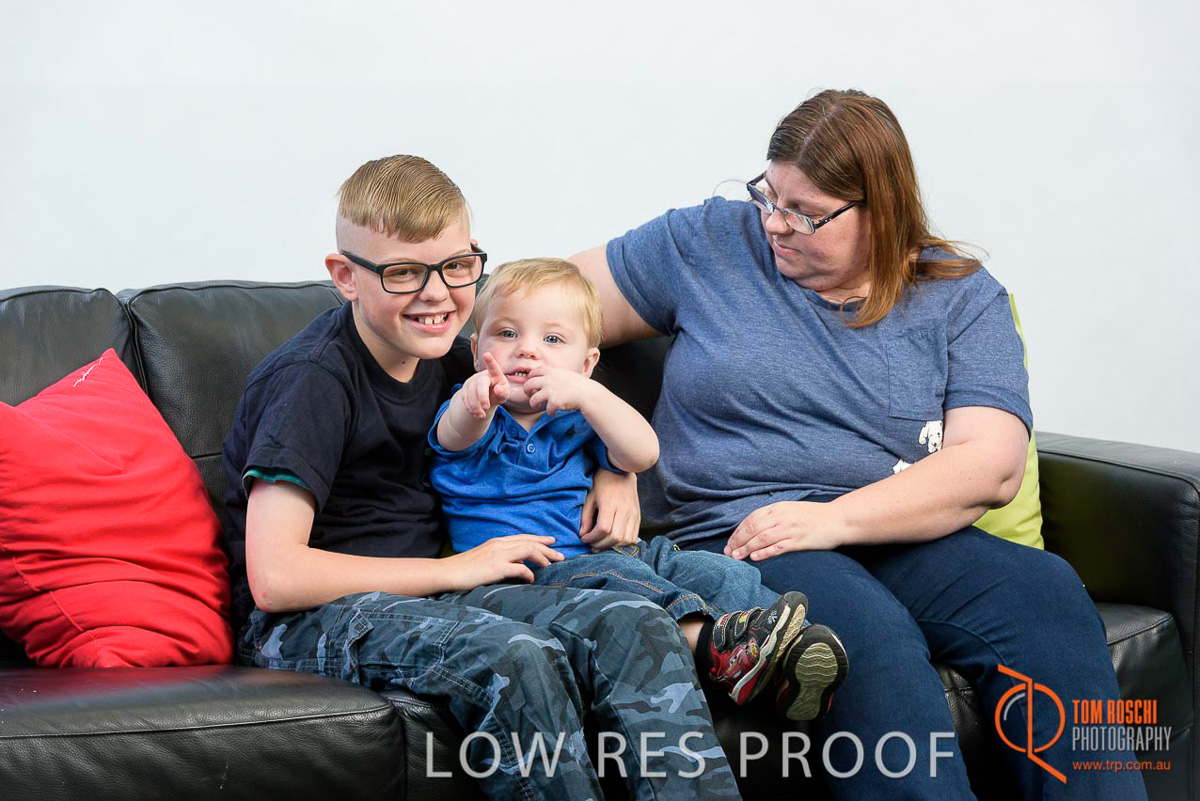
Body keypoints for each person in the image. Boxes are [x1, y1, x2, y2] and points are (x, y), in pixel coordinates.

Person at [571, 89, 1147, 799]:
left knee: (1045, 593)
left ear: (880, 209)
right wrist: (614, 459)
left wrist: (835, 519)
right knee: (864, 640)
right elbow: (534, 313)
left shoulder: (960, 297)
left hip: (895, 526)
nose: (774, 223)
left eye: (804, 212)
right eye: (767, 194)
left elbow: (991, 464)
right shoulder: (708, 243)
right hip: (747, 532)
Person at [221, 154, 744, 800]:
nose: (437, 294)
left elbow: (564, 391)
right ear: (345, 276)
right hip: (305, 619)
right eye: (404, 272)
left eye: (457, 265)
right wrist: (455, 569)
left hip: (435, 591)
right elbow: (275, 578)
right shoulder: (313, 381)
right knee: (517, 655)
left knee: (632, 621)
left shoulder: (449, 357)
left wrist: (616, 474)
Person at [428, 257, 848, 721]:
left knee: (713, 570)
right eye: (507, 334)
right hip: (531, 575)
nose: (526, 351)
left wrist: (590, 396)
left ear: (586, 364)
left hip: (614, 554)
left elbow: (643, 453)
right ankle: (722, 649)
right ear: (476, 350)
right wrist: (475, 400)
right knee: (623, 580)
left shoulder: (579, 416)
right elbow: (454, 435)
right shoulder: (476, 415)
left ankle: (793, 654)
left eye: (552, 340)